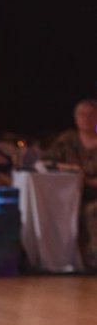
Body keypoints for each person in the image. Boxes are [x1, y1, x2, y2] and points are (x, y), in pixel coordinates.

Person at [45, 98, 97, 270]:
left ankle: (92, 262)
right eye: (82, 115)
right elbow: (46, 161)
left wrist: (87, 181)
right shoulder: (67, 140)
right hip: (65, 197)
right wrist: (69, 168)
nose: (86, 119)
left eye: (91, 115)